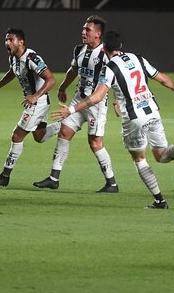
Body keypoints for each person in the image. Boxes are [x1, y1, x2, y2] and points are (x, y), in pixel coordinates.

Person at [51, 31, 174, 209]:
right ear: (121, 46)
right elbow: (161, 77)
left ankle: (160, 201)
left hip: (134, 118)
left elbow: (98, 96)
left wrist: (71, 109)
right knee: (161, 155)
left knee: (139, 159)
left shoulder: (110, 68)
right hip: (152, 111)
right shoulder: (137, 58)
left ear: (104, 48)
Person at [33, 15, 119, 193]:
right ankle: (53, 178)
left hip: (96, 104)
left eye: (87, 30)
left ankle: (111, 183)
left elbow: (117, 76)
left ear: (98, 34)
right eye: (83, 29)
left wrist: (117, 99)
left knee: (95, 143)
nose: (83, 32)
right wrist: (63, 87)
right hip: (79, 99)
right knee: (64, 133)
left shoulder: (106, 53)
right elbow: (73, 70)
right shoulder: (79, 50)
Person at [0, 28, 60, 187]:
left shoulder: (32, 58)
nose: (7, 43)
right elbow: (12, 73)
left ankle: (5, 176)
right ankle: (67, 125)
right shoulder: (14, 58)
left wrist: (35, 96)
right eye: (6, 40)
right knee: (39, 136)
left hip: (38, 101)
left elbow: (51, 80)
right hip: (36, 101)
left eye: (10, 40)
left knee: (17, 135)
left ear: (21, 42)